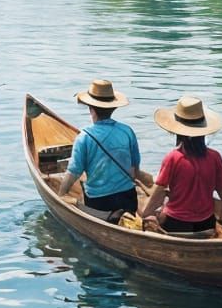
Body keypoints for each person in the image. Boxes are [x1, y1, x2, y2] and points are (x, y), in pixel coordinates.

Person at [58, 80, 153, 218]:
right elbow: (134, 170)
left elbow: (74, 172)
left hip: (99, 204)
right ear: (113, 108)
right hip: (128, 200)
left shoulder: (84, 137)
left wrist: (62, 194)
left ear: (91, 109)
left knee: (83, 183)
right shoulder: (127, 131)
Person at [142, 96, 222, 235]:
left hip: (175, 225)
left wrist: (146, 213)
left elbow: (157, 195)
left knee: (143, 211)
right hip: (206, 224)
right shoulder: (215, 157)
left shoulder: (173, 158)